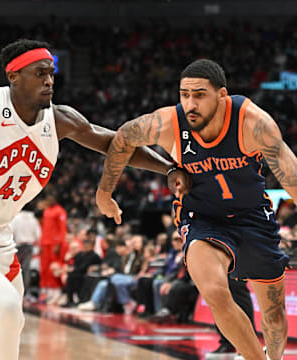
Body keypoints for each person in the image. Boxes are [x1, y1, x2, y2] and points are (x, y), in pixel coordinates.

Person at [0, 32, 184, 360]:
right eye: (40, 73)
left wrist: (169, 169)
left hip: (0, 237)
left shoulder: (61, 120)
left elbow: (116, 145)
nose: (49, 80)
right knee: (7, 306)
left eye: (51, 73)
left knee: (12, 317)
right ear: (14, 76)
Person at [96, 58, 297, 360]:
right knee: (215, 291)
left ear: (222, 96)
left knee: (274, 315)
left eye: (199, 94)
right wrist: (104, 192)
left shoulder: (253, 122)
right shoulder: (168, 123)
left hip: (253, 216)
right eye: (184, 94)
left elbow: (291, 177)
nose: (190, 103)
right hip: (202, 217)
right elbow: (123, 137)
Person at [10, 203, 41, 299]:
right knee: (26, 270)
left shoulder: (16, 218)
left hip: (17, 246)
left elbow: (11, 231)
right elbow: (38, 235)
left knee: (16, 269)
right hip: (29, 246)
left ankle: (14, 291)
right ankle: (25, 292)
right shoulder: (34, 220)